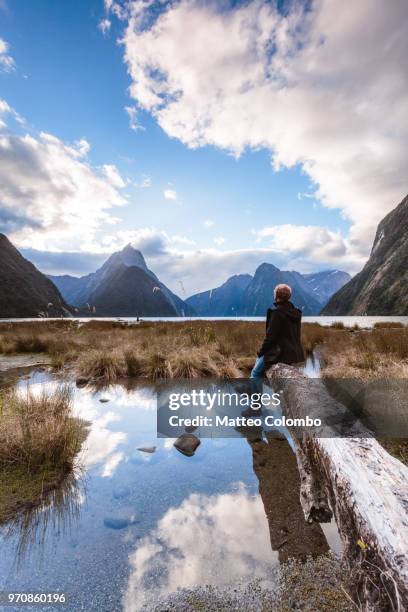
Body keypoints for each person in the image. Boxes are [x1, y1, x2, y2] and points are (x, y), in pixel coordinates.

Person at [251, 283, 305, 380]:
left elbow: (270, 338)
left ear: (276, 296)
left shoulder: (277, 313)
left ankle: (255, 395)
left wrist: (261, 352)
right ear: (289, 297)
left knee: (255, 373)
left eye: (274, 293)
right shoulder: (296, 313)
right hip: (292, 354)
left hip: (279, 353)